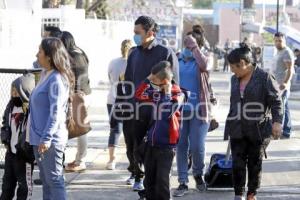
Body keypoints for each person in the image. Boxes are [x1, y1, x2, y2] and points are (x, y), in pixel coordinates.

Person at [122, 15, 179, 191]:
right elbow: (129, 82)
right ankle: (138, 176)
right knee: (136, 146)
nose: (135, 36)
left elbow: (175, 83)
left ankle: (158, 180)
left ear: (150, 32)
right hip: (138, 110)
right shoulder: (134, 53)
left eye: (138, 33)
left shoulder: (165, 52)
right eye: (134, 33)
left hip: (159, 112)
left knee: (157, 149)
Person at [224, 43, 283, 200]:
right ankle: (238, 194)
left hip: (258, 129)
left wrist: (277, 122)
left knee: (254, 164)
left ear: (243, 63)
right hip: (237, 127)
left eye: (233, 67)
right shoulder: (234, 79)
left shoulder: (264, 77)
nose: (231, 71)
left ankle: (251, 194)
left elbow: (276, 101)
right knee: (237, 163)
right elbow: (233, 102)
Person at [29, 37, 74, 200]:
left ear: (49, 56)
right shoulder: (44, 74)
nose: (36, 55)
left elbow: (56, 112)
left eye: (40, 51)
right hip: (39, 139)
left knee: (54, 181)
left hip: (50, 140)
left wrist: (46, 138)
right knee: (47, 182)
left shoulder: (56, 79)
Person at [135, 61, 185, 200]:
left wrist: (168, 94)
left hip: (167, 146)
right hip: (151, 143)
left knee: (162, 182)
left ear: (164, 81)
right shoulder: (156, 92)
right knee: (149, 181)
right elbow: (138, 95)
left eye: (154, 80)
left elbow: (166, 112)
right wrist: (148, 79)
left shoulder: (178, 95)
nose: (152, 82)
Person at [173, 25, 211, 197]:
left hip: (200, 110)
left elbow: (205, 65)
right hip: (180, 111)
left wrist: (195, 48)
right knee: (181, 146)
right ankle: (182, 181)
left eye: (191, 45)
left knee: (197, 146)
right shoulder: (177, 59)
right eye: (186, 44)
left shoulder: (204, 58)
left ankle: (198, 174)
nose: (187, 48)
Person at [60, 31, 92, 172]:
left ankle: (81, 160)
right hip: (85, 92)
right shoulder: (80, 51)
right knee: (81, 127)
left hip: (78, 95)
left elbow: (71, 75)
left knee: (80, 128)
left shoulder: (71, 55)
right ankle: (79, 159)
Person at [0, 74, 35, 200]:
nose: (14, 94)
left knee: (25, 188)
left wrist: (27, 150)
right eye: (12, 92)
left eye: (17, 92)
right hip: (10, 154)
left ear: (24, 92)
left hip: (23, 156)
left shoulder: (30, 110)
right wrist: (4, 138)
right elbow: (4, 123)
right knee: (7, 186)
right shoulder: (10, 107)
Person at [106, 39, 132, 170]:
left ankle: (111, 160)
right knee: (130, 131)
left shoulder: (113, 62)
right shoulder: (134, 63)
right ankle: (132, 160)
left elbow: (110, 79)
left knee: (115, 130)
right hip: (129, 101)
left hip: (112, 99)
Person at [273, 32, 295, 139]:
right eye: (276, 40)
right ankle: (286, 131)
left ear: (284, 40)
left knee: (280, 109)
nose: (278, 42)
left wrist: (285, 83)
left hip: (282, 86)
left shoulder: (286, 52)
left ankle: (279, 132)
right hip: (276, 85)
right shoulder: (279, 51)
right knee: (284, 108)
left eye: (280, 40)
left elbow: (290, 70)